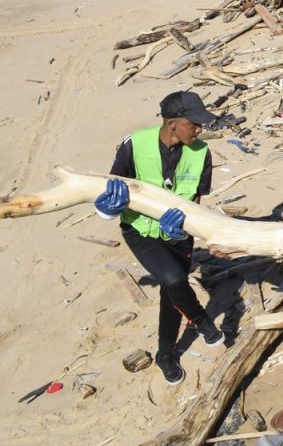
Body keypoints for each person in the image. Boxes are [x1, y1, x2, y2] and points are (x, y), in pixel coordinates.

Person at [94, 91, 225, 385]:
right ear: (172, 123)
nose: (200, 129)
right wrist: (106, 210)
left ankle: (166, 354)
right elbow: (113, 189)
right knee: (175, 280)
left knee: (171, 292)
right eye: (194, 123)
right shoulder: (135, 145)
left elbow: (197, 202)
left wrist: (183, 230)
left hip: (178, 235)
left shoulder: (201, 152)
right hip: (141, 232)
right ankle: (202, 320)